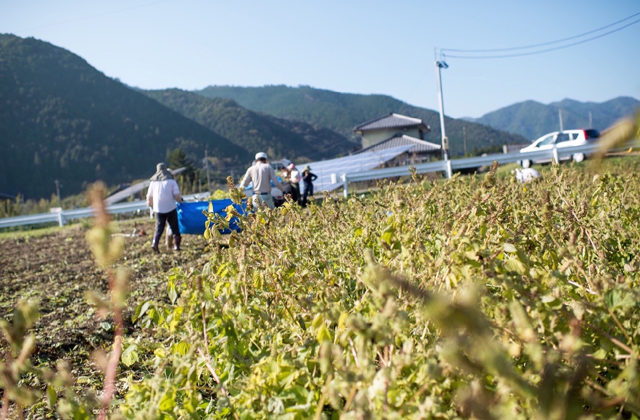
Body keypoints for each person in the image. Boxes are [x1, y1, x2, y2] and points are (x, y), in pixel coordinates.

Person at [147, 162, 182, 253]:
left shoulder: (153, 183)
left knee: (159, 228)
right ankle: (176, 246)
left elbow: (149, 197)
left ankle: (155, 244)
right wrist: (181, 201)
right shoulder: (171, 181)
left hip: (158, 209)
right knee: (175, 227)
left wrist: (151, 205)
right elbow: (177, 196)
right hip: (170, 207)